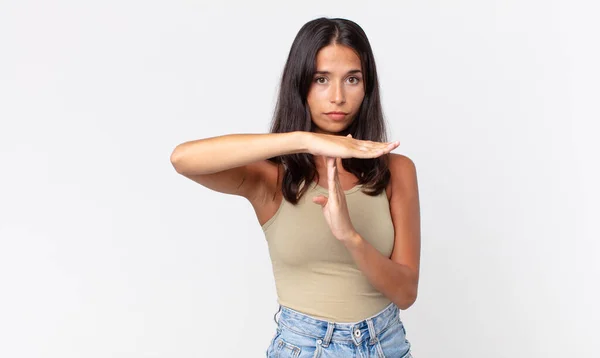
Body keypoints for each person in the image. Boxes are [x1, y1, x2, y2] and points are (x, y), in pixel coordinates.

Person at [170, 17, 420, 358]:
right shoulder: (272, 178)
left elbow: (405, 292)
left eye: (352, 79)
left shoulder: (396, 170)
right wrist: (305, 140)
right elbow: (182, 158)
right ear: (300, 84)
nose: (337, 97)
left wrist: (350, 236)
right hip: (306, 346)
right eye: (321, 79)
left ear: (367, 87)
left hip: (385, 345)